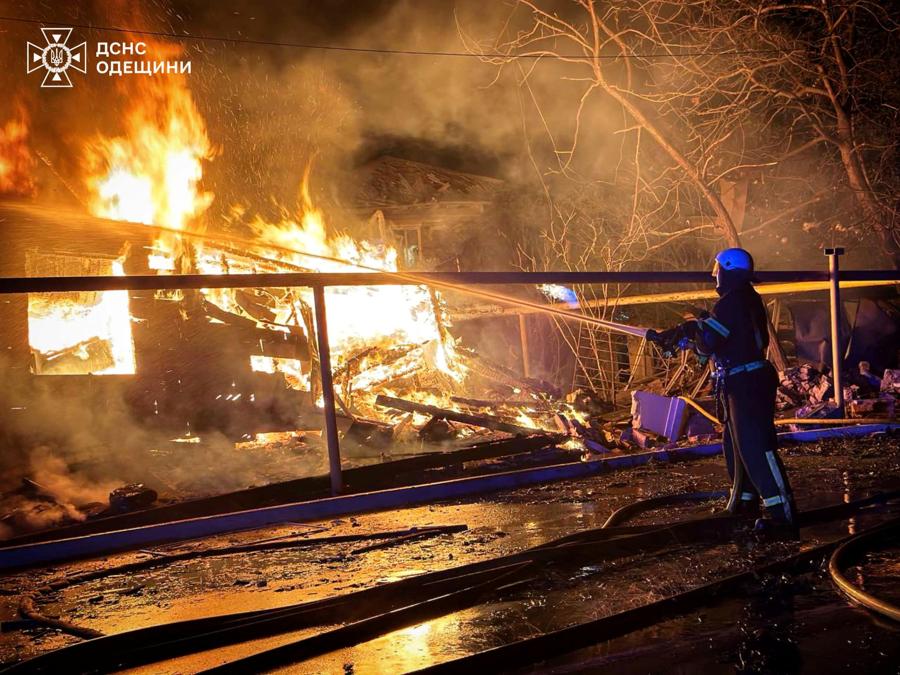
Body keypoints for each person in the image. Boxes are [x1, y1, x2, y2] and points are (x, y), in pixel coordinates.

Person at [647, 248, 797, 535]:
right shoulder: (742, 299)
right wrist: (684, 333)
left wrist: (690, 331)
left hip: (746, 383)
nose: (713, 273)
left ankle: (784, 517)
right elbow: (716, 341)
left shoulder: (732, 302)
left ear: (729, 269)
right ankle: (744, 505)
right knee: (737, 449)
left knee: (756, 448)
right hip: (738, 382)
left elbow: (708, 344)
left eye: (717, 268)